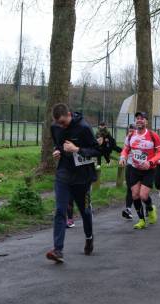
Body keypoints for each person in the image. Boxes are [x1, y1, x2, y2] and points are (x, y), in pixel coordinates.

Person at [46, 103, 101, 263]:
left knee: (84, 211)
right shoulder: (55, 127)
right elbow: (58, 144)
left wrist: (77, 149)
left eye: (63, 122)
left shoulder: (83, 127)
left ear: (69, 114)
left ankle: (89, 237)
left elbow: (97, 151)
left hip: (82, 177)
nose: (61, 126)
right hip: (63, 174)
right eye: (58, 123)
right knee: (60, 211)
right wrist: (57, 151)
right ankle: (58, 250)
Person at [119, 111, 160, 229]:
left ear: (146, 122)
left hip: (149, 169)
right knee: (134, 195)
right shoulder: (131, 135)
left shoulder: (153, 135)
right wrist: (123, 157)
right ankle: (141, 220)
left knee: (143, 195)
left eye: (142, 118)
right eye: (137, 118)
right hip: (134, 169)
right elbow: (126, 149)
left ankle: (150, 208)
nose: (139, 120)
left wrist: (150, 162)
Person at [122, 124, 136, 220]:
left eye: (132, 131)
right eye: (129, 131)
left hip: (140, 166)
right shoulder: (128, 138)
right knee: (129, 187)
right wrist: (123, 158)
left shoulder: (141, 139)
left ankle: (148, 206)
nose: (130, 133)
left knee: (138, 190)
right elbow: (125, 149)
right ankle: (128, 209)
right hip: (130, 165)